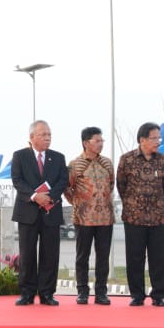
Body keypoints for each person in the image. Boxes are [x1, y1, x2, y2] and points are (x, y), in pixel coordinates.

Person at [10, 120, 69, 306]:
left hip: (51, 212)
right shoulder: (20, 156)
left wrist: (49, 197)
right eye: (43, 135)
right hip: (27, 212)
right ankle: (27, 293)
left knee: (50, 254)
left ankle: (47, 293)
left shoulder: (58, 157)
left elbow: (63, 180)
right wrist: (35, 196)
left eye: (49, 135)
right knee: (27, 254)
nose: (47, 138)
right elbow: (17, 180)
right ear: (32, 137)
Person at [116, 122, 164, 307]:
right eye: (154, 138)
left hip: (158, 217)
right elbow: (121, 186)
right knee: (134, 257)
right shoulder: (127, 159)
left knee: (158, 258)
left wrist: (153, 203)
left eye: (159, 138)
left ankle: (158, 295)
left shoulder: (163, 160)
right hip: (134, 217)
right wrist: (135, 203)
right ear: (142, 140)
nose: (158, 141)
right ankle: (137, 295)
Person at [65, 126, 115, 305]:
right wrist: (79, 203)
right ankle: (82, 291)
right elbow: (67, 188)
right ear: (86, 143)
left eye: (102, 141)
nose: (101, 144)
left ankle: (101, 292)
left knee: (103, 256)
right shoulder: (75, 164)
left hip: (105, 218)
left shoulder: (107, 163)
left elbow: (111, 185)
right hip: (83, 218)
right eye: (97, 141)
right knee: (82, 256)